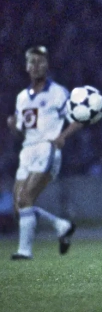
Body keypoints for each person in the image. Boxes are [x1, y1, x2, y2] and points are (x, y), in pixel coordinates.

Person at [7, 46, 83, 260]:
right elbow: (23, 131)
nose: (36, 66)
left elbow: (78, 118)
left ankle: (25, 252)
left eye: (40, 62)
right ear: (26, 66)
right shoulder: (22, 97)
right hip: (27, 150)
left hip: (46, 148)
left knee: (26, 198)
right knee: (18, 207)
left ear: (47, 65)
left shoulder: (58, 92)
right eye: (32, 62)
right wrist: (13, 126)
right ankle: (62, 225)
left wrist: (63, 136)